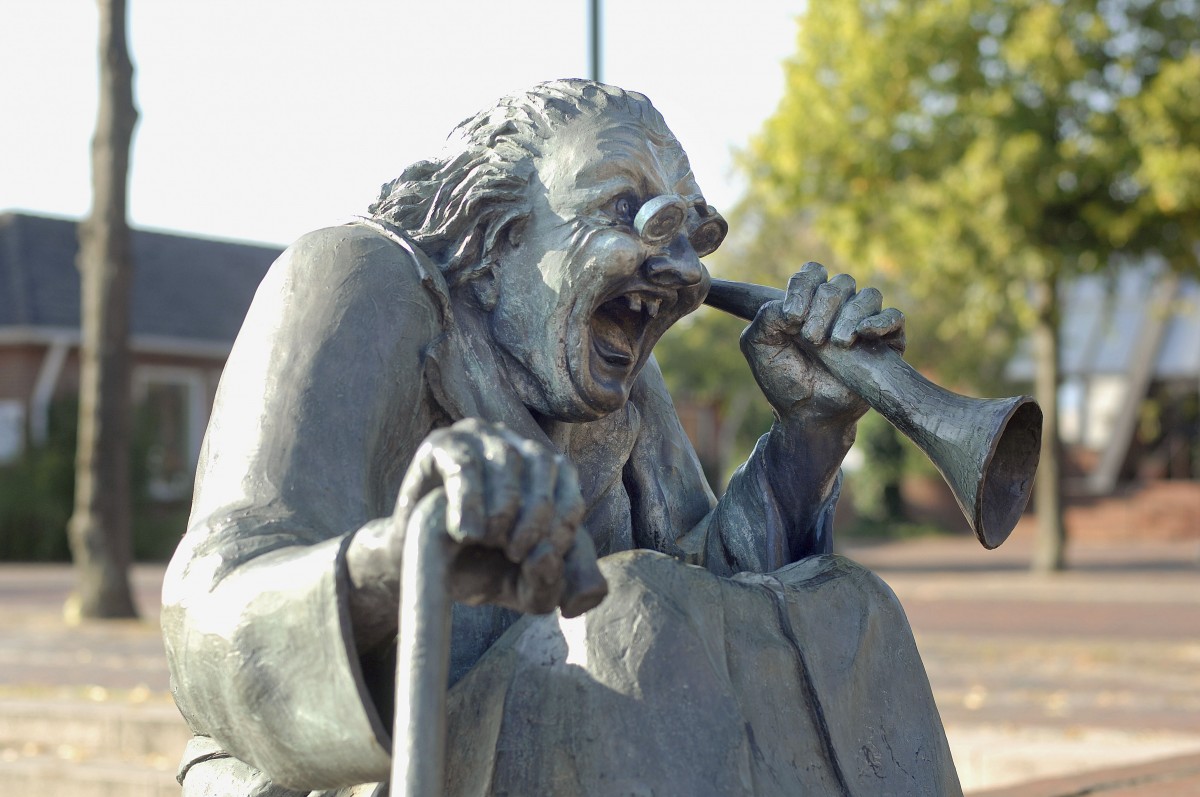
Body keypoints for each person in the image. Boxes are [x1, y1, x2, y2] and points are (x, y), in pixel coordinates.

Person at [162, 79, 960, 796]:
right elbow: (209, 622)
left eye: (692, 234)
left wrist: (806, 440)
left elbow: (705, 603)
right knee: (629, 617)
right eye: (630, 212)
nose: (683, 271)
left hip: (571, 754)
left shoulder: (618, 377)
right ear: (503, 231)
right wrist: (397, 561)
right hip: (361, 777)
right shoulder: (354, 279)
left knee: (852, 610)